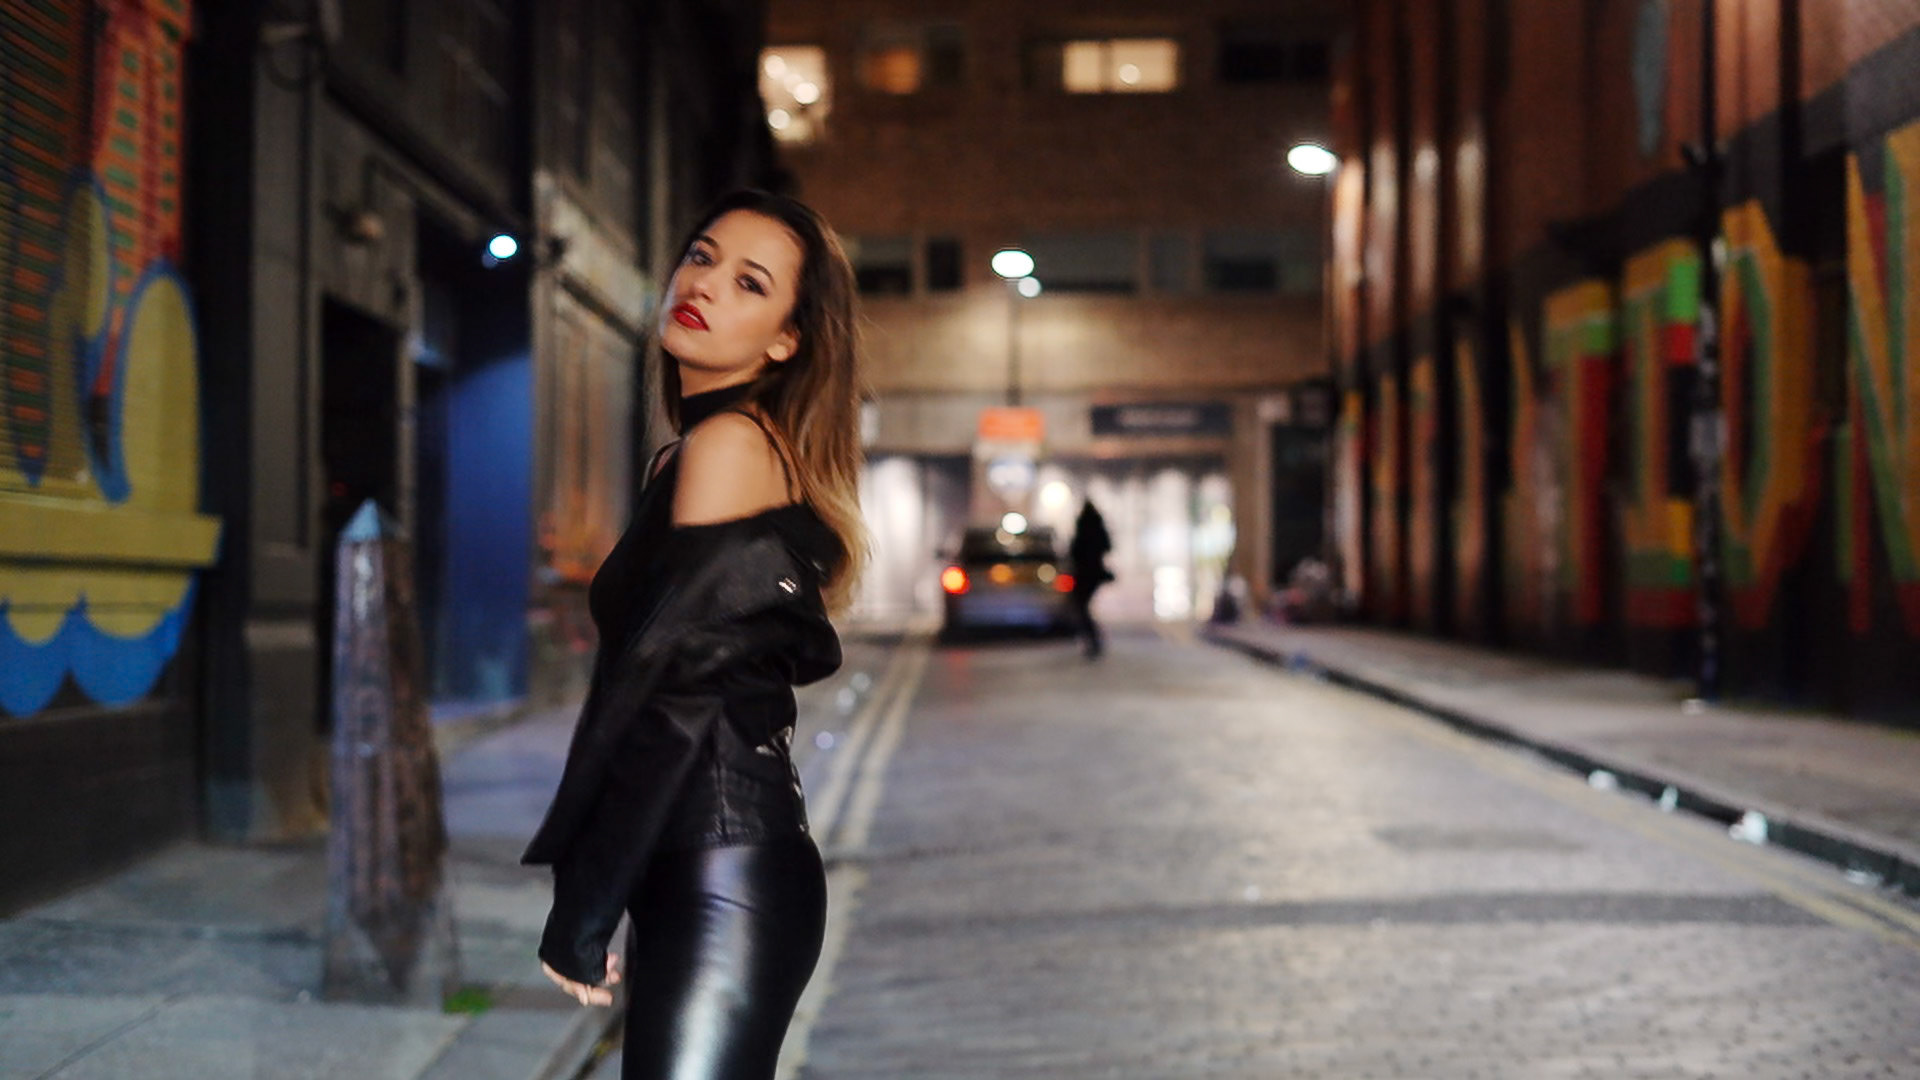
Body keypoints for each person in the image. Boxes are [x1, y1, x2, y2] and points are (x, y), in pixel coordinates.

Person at [521, 189, 867, 1080]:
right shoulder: (689, 453)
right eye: (702, 257)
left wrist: (587, 900)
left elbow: (677, 699)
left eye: (750, 283)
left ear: (786, 340)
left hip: (725, 872)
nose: (704, 285)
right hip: (698, 866)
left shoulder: (729, 451)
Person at [1067, 500, 1113, 658]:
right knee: (1083, 607)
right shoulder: (1098, 528)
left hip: (1084, 574)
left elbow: (1074, 552)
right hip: (1094, 573)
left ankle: (1093, 639)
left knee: (1081, 607)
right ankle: (1093, 639)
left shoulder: (1082, 530)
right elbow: (1108, 546)